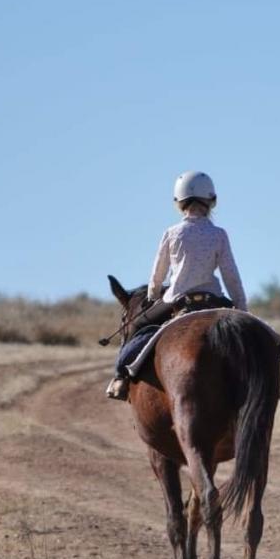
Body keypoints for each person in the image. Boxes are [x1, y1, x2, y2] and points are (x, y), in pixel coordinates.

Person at [106, 170, 248, 400]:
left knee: (137, 325)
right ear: (212, 201)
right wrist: (242, 308)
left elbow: (157, 275)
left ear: (178, 203)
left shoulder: (172, 233)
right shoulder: (219, 234)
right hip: (214, 301)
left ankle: (120, 377)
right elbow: (231, 275)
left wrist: (152, 295)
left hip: (179, 300)